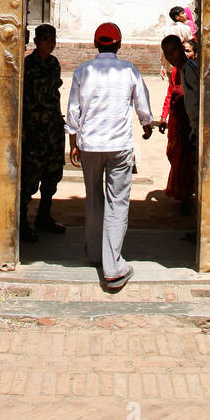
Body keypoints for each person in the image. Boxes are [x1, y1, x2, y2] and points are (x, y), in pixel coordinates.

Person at [66, 22, 154, 291]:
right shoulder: (129, 70)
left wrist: (74, 144)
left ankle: (95, 253)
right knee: (117, 203)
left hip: (90, 144)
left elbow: (73, 113)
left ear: (95, 44)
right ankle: (113, 266)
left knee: (93, 198)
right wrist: (147, 123)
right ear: (118, 44)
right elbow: (142, 103)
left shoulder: (83, 71)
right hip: (118, 146)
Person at [19, 24, 66, 242]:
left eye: (52, 39)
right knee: (29, 177)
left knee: (52, 174)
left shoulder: (53, 63)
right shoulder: (28, 65)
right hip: (34, 128)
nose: (49, 43)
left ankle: (44, 215)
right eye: (45, 39)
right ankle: (21, 221)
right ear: (36, 41)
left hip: (53, 127)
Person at [158, 34, 199, 211]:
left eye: (173, 51)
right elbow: (171, 93)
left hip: (192, 124)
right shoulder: (180, 71)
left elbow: (197, 100)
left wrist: (196, 128)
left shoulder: (190, 70)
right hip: (183, 121)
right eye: (166, 53)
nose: (170, 56)